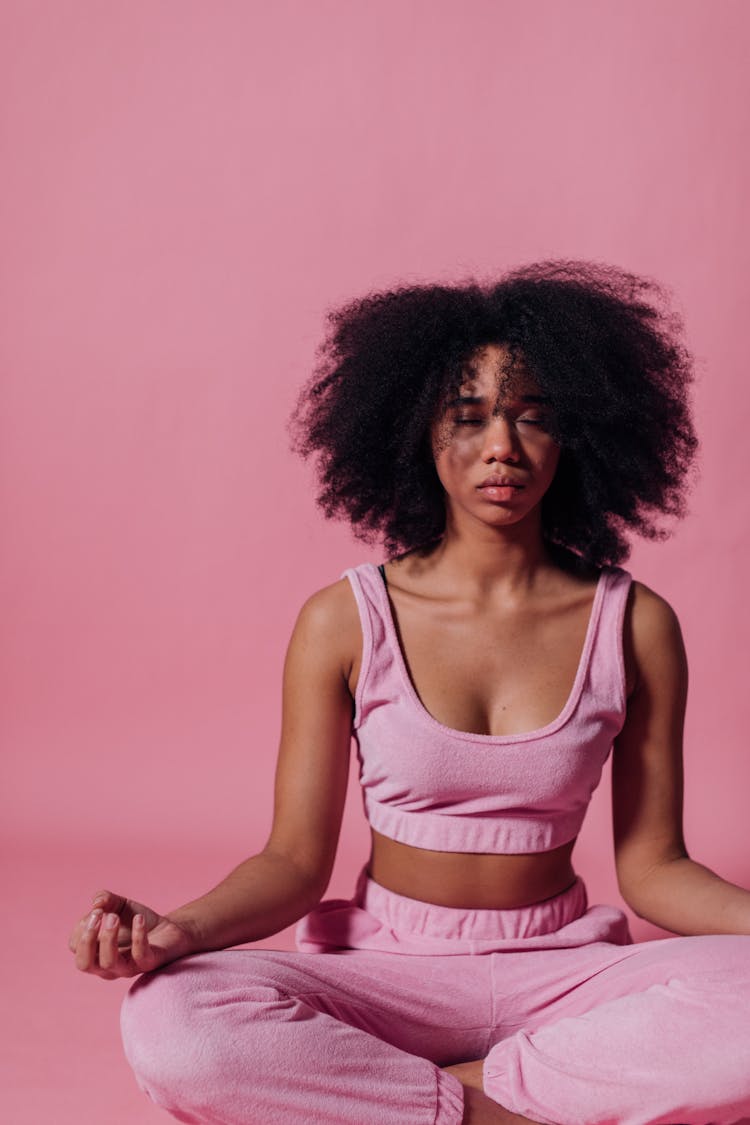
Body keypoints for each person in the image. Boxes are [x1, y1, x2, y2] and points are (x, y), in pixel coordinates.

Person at [69, 259, 750, 1125]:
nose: (502, 447)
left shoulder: (635, 623)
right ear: (418, 437)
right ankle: (528, 1104)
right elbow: (292, 862)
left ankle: (415, 1102)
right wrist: (178, 931)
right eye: (467, 419)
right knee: (171, 1019)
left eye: (533, 418)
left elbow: (656, 869)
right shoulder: (343, 620)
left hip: (564, 969)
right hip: (384, 972)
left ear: (574, 436)